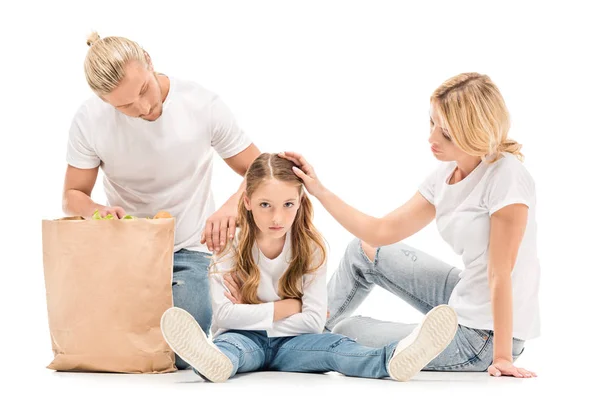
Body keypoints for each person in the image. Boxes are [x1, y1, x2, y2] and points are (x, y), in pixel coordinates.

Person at [280, 72, 539, 378]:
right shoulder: (445, 175)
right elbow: (380, 231)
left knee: (347, 329)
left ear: (474, 133)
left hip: (485, 336)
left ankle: (299, 340)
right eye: (432, 124)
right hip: (466, 295)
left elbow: (500, 273)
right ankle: (306, 328)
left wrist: (503, 357)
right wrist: (319, 189)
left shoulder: (506, 177)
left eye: (446, 133)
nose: (432, 139)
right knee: (364, 250)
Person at [159, 153, 459, 382]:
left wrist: (252, 314)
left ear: (300, 202)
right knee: (230, 349)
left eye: (288, 204)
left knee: (337, 346)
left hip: (295, 343)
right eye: (266, 205)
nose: (278, 217)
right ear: (247, 202)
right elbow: (223, 316)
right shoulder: (231, 246)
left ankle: (392, 359)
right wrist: (290, 306)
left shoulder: (311, 248)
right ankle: (215, 363)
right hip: (242, 339)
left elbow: (314, 323)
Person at [62, 32, 260, 369]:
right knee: (106, 343)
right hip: (125, 251)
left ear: (149, 62)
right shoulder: (89, 120)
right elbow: (72, 196)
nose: (143, 108)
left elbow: (260, 169)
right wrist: (96, 211)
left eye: (143, 90)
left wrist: (231, 207)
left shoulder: (201, 104)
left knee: (182, 354)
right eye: (124, 106)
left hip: (188, 252)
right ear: (104, 101)